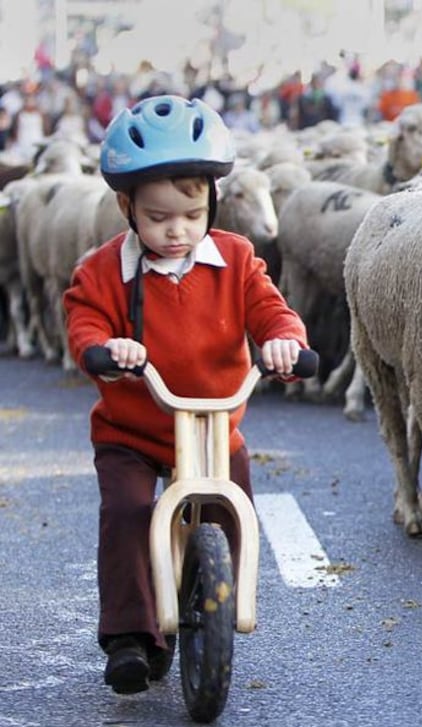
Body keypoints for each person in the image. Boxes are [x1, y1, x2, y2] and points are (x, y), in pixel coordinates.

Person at [62, 95, 308, 695]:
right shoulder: (103, 270)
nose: (178, 231)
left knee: (231, 507)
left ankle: (211, 596)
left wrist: (283, 343)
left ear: (212, 204)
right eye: (158, 217)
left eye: (192, 215)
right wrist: (103, 349)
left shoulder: (237, 259)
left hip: (211, 427)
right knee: (126, 511)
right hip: (134, 427)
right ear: (127, 209)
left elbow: (273, 313)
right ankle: (129, 634)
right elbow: (83, 320)